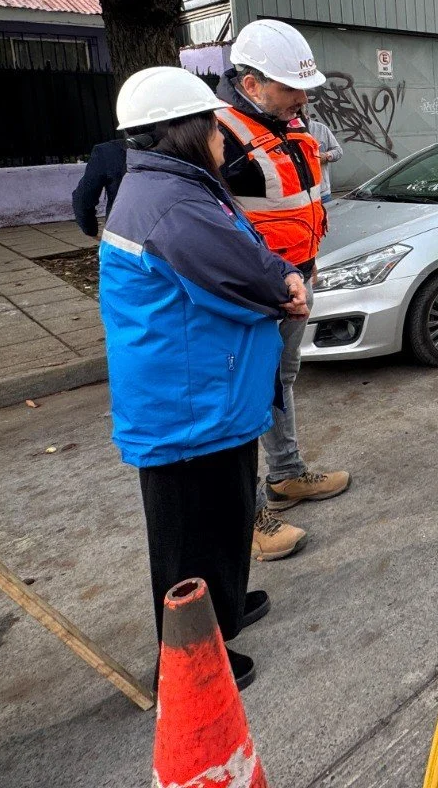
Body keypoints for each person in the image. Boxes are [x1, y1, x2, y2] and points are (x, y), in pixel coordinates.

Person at [100, 67, 305, 689]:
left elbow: (244, 250)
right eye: (215, 127)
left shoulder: (178, 187)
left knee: (226, 510)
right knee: (188, 532)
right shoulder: (174, 202)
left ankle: (222, 604)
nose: (225, 137)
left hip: (208, 390)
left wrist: (276, 278)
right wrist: (285, 289)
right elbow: (243, 274)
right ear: (188, 132)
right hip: (187, 401)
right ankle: (186, 661)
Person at [216, 20, 350, 561]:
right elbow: (215, 228)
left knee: (281, 382)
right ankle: (249, 517)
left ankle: (287, 475)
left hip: (297, 279)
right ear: (251, 84)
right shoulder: (218, 135)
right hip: (255, 292)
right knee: (249, 396)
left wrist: (306, 268)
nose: (301, 97)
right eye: (290, 87)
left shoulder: (291, 126)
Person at [70, 137, 128, 237]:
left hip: (122, 235)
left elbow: (83, 199)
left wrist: (91, 230)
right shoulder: (163, 149)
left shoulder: (108, 152)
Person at [300, 114, 343, 202]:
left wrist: (327, 155)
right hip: (299, 197)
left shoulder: (321, 129)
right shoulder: (283, 131)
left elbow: (338, 151)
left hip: (322, 194)